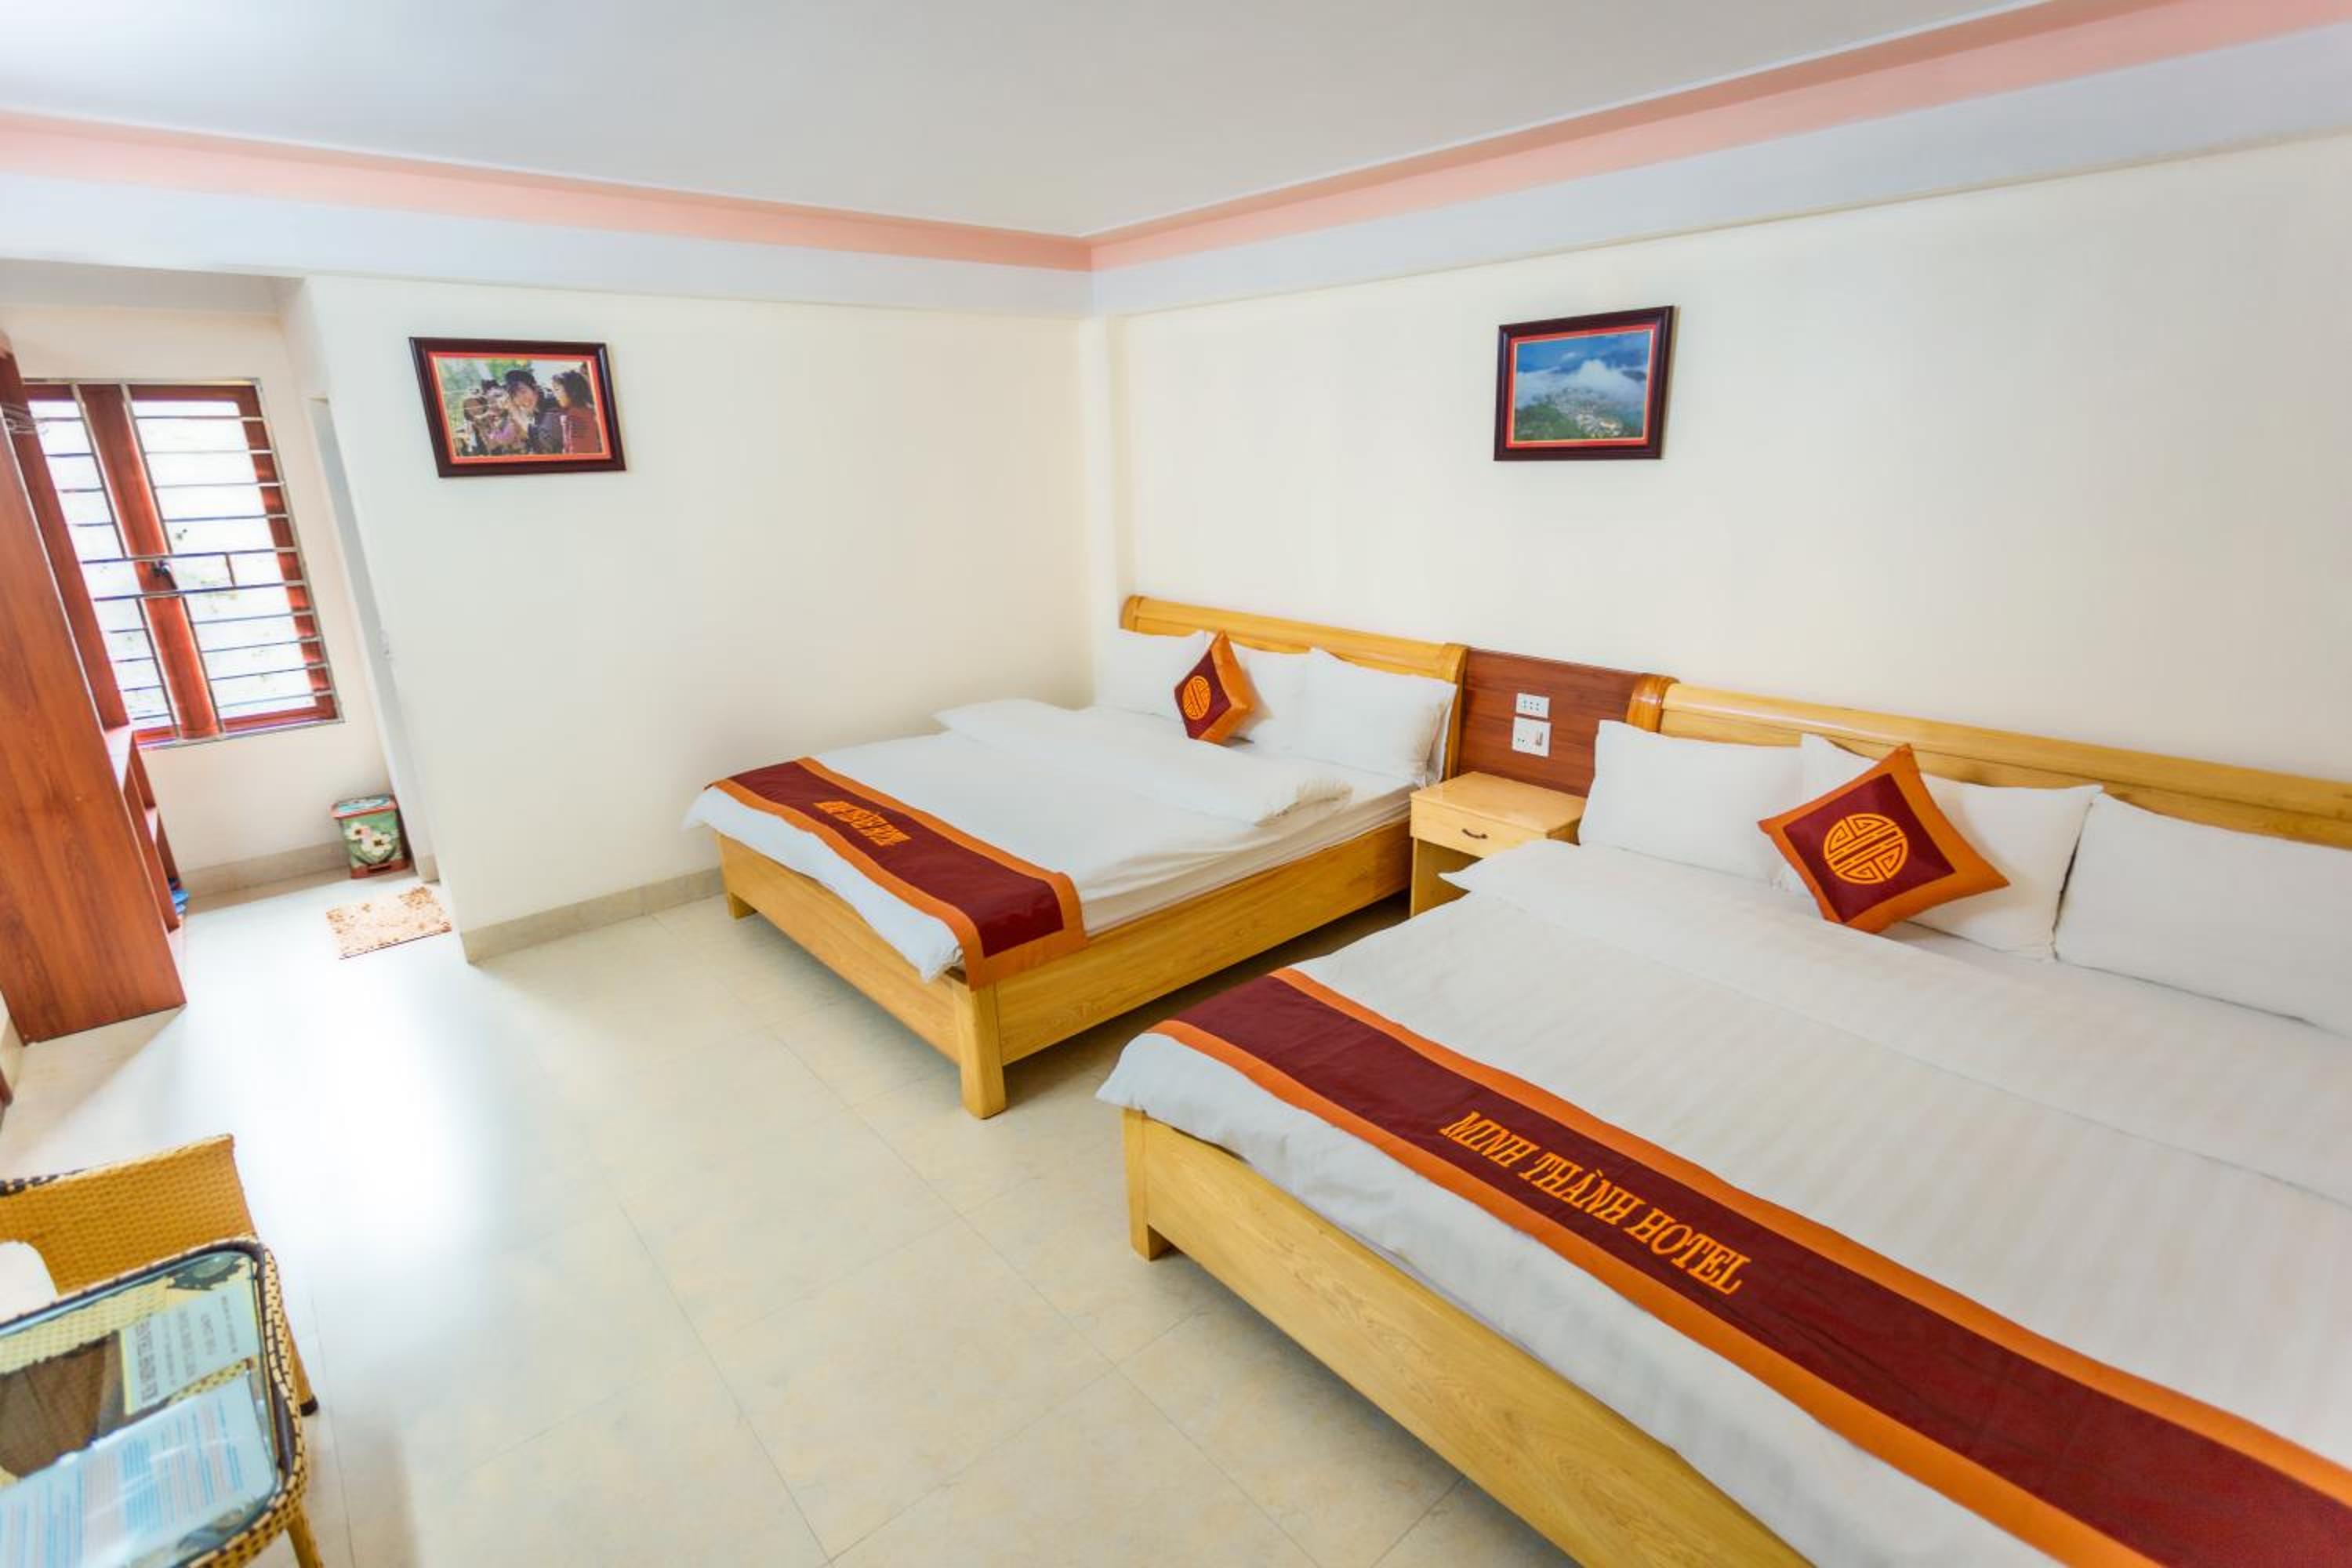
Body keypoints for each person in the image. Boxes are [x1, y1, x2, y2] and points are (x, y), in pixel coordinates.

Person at [503, 368, 564, 455]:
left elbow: (545, 441)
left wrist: (516, 414)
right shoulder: (537, 410)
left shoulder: (552, 404)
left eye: (523, 392)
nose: (521, 399)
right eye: (515, 396)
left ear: (534, 388)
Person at [552, 368, 604, 456]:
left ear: (571, 390)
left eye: (557, 389)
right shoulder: (587, 411)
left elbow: (576, 449)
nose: (555, 395)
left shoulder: (575, 415)